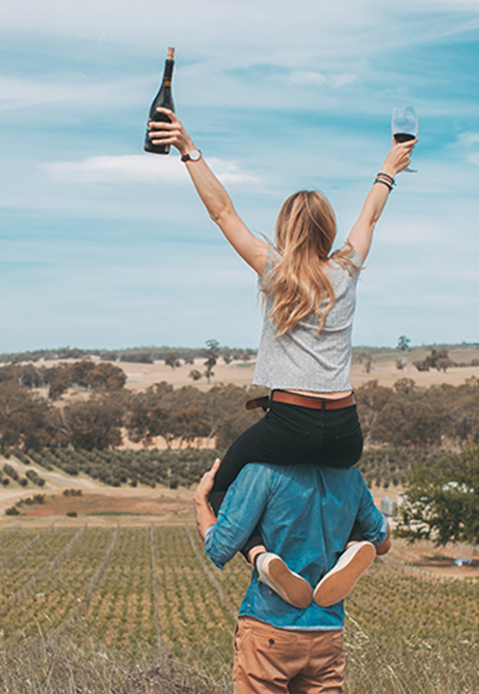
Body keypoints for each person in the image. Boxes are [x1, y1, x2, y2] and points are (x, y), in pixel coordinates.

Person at [147, 108, 412, 608]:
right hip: (345, 432)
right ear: (328, 229)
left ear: (286, 231)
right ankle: (359, 544)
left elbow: (222, 212)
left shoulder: (274, 270)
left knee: (223, 491)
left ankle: (262, 558)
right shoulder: (348, 271)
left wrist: (189, 150)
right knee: (340, 490)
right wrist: (388, 170)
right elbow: (370, 215)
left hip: (288, 421)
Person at [194, 456, 387, 693]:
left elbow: (220, 548)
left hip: (270, 625)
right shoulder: (350, 476)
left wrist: (201, 501)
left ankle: (261, 556)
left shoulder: (263, 472)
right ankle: (351, 546)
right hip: (327, 631)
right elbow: (383, 543)